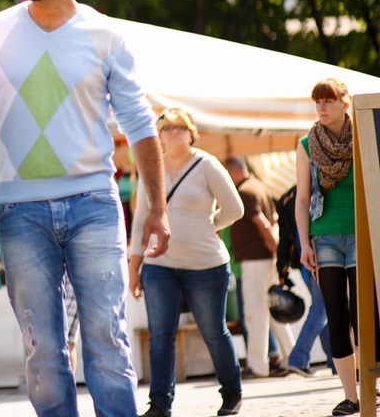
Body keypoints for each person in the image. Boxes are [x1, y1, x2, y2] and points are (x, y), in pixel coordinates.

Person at [0, 0, 170, 417]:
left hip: (94, 206)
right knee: (42, 349)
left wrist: (158, 209)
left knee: (108, 336)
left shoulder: (105, 35)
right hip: (15, 211)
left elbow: (140, 123)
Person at [128, 107, 244, 417]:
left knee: (213, 332)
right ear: (159, 135)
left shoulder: (207, 165)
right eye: (167, 127)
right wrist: (133, 268)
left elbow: (235, 208)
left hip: (206, 265)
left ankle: (231, 392)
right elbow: (140, 221)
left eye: (181, 127)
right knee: (161, 336)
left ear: (191, 132)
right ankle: (160, 404)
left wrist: (208, 225)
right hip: (159, 265)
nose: (174, 132)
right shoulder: (151, 168)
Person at [296, 78, 367, 416]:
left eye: (329, 100)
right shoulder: (307, 144)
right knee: (335, 315)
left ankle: (371, 386)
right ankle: (350, 395)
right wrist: (303, 242)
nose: (322, 107)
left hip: (361, 234)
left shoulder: (363, 136)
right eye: (317, 102)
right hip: (324, 237)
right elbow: (301, 197)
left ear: (344, 103)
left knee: (365, 314)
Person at [223, 155, 294, 380]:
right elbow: (272, 219)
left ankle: (258, 366)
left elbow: (262, 222)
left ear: (234, 171)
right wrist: (276, 254)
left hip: (255, 260)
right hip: (265, 258)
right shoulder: (259, 187)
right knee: (273, 311)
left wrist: (274, 248)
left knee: (254, 313)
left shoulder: (244, 192)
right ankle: (293, 358)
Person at [275, 184, 333, 377]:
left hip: (303, 260)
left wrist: (281, 269)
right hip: (318, 254)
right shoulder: (320, 188)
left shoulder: (286, 197)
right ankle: (298, 358)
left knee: (324, 309)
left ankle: (335, 362)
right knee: (323, 308)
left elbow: (285, 239)